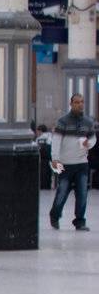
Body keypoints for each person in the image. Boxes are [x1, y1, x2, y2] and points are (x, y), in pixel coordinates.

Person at [49, 93, 96, 231]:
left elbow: (93, 139)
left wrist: (89, 143)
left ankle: (80, 221)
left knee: (82, 194)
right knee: (62, 192)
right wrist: (55, 158)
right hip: (65, 164)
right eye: (77, 102)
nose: (80, 104)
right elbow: (56, 141)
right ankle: (55, 215)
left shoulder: (88, 122)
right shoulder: (62, 121)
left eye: (82, 102)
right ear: (71, 104)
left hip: (82, 164)